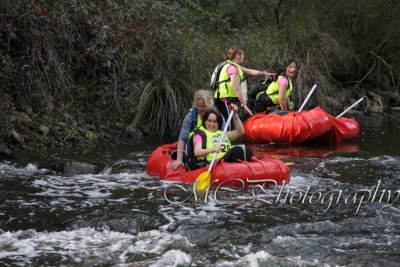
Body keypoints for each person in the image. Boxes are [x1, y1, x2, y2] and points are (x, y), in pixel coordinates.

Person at [214, 46, 275, 123]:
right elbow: (236, 87)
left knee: (227, 125)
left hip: (225, 101)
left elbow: (250, 72)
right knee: (227, 126)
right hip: (224, 101)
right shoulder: (232, 68)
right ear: (237, 56)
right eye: (242, 54)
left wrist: (264, 73)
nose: (243, 56)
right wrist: (244, 105)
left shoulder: (234, 66)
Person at [169, 89, 214, 170]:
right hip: (194, 151)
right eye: (198, 106)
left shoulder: (217, 116)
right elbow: (182, 138)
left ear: (209, 105)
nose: (200, 109)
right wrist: (179, 160)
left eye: (203, 106)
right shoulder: (190, 117)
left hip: (213, 151)